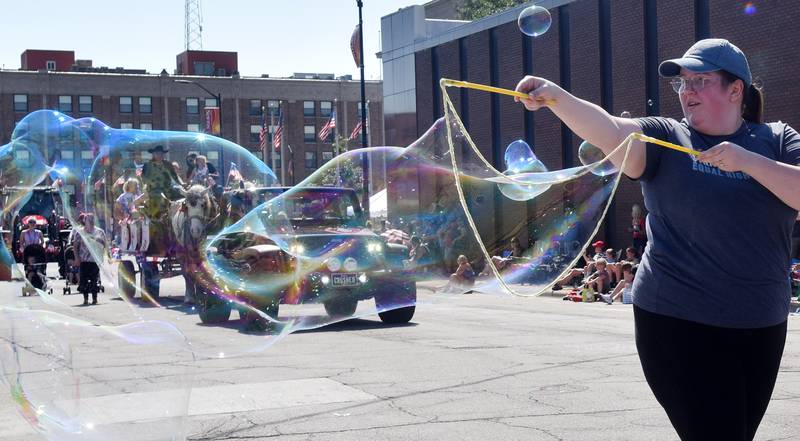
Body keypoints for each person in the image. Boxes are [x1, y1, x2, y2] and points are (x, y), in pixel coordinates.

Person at [516, 38, 800, 441]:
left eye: (699, 81)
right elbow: (612, 129)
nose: (686, 92)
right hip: (677, 321)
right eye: (682, 84)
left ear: (736, 90)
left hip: (762, 322)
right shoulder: (667, 137)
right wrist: (557, 98)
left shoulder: (777, 139)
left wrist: (745, 161)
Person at [72, 213, 106, 305]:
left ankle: (95, 299)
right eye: (88, 219)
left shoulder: (99, 232)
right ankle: (85, 299)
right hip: (84, 260)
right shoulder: (80, 232)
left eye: (91, 219)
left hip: (95, 260)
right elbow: (75, 246)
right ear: (85, 221)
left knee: (94, 280)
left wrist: (103, 257)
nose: (90, 221)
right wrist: (77, 258)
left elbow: (104, 245)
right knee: (84, 280)